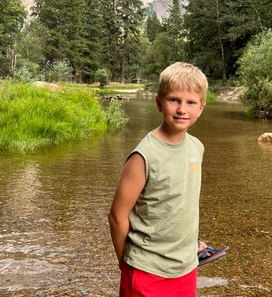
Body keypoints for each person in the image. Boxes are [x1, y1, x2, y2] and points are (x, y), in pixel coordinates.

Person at [109, 62, 208, 297]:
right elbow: (117, 216)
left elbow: (180, 203)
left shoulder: (197, 147)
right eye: (174, 100)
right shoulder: (143, 156)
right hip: (147, 271)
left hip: (186, 267)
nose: (182, 109)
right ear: (158, 103)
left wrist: (191, 243)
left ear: (201, 108)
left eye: (191, 102)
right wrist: (127, 263)